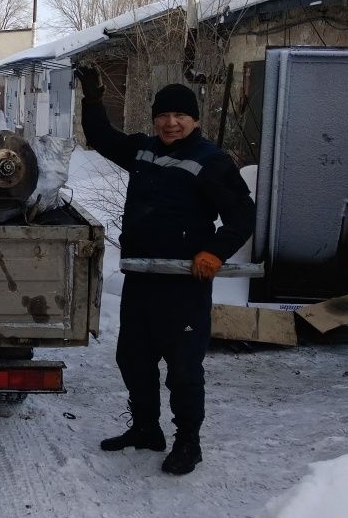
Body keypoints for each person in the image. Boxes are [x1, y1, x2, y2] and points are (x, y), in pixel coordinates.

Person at [74, 66, 254, 476]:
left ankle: (188, 442)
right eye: (164, 115)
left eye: (180, 116)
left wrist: (214, 252)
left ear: (195, 120)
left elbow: (244, 215)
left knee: (184, 367)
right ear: (154, 118)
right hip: (143, 276)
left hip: (184, 285)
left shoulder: (212, 161)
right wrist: (94, 99)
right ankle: (145, 428)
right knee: (132, 358)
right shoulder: (144, 150)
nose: (171, 123)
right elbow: (101, 138)